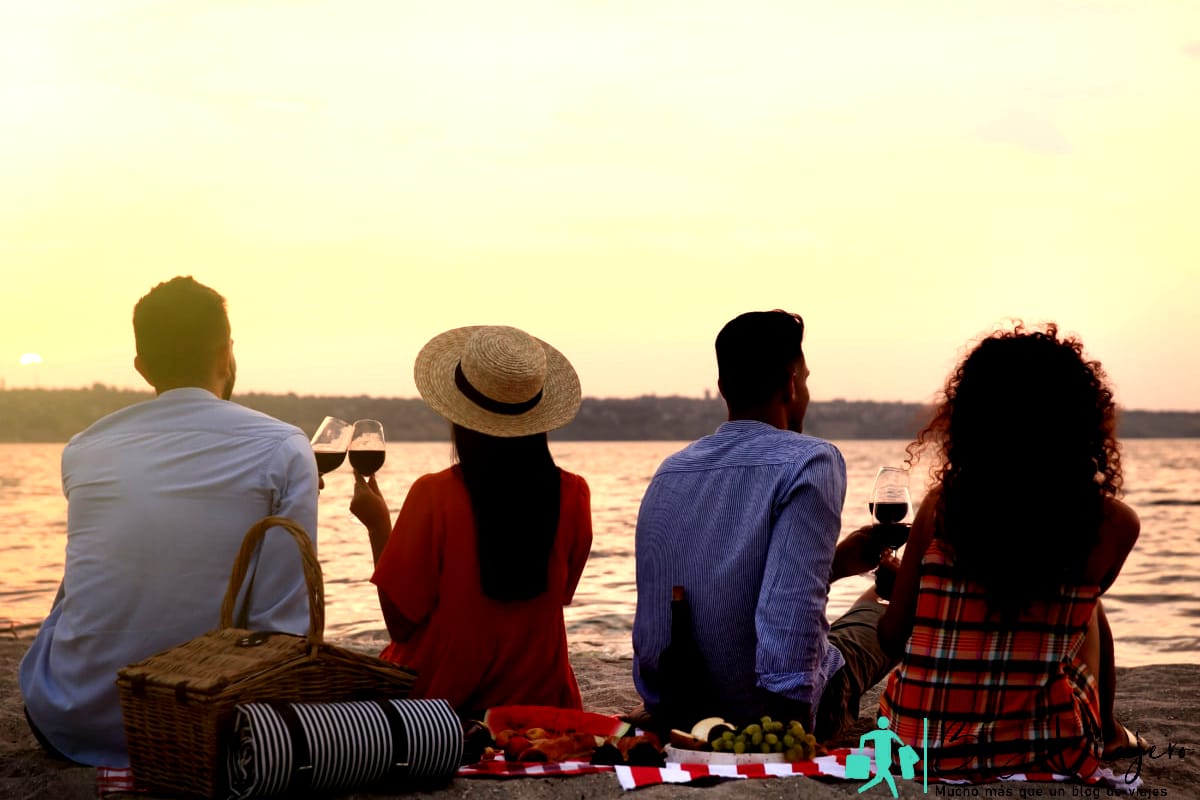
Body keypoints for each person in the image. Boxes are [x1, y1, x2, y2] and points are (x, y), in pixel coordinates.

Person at [19, 276, 319, 767]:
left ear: (141, 367)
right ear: (227, 352)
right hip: (207, 726)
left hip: (70, 717)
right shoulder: (284, 447)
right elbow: (282, 624)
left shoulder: (83, 449)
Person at [877, 323, 1145, 779]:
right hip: (1038, 749)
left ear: (974, 420)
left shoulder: (941, 507)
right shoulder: (1114, 524)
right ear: (1080, 421)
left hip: (913, 744)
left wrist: (905, 588)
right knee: (1087, 605)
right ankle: (1108, 730)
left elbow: (892, 640)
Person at [632, 309, 897, 738]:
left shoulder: (671, 470)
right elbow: (789, 618)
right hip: (771, 714)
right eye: (805, 379)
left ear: (722, 387)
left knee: (861, 603)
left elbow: (675, 608)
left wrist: (834, 565)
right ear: (791, 385)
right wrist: (788, 732)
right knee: (888, 608)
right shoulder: (811, 461)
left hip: (677, 705)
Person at [350, 325, 592, 717]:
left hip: (443, 702)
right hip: (543, 698)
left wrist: (378, 526)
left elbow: (400, 624)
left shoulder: (433, 494)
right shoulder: (573, 493)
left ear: (459, 416)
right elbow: (559, 594)